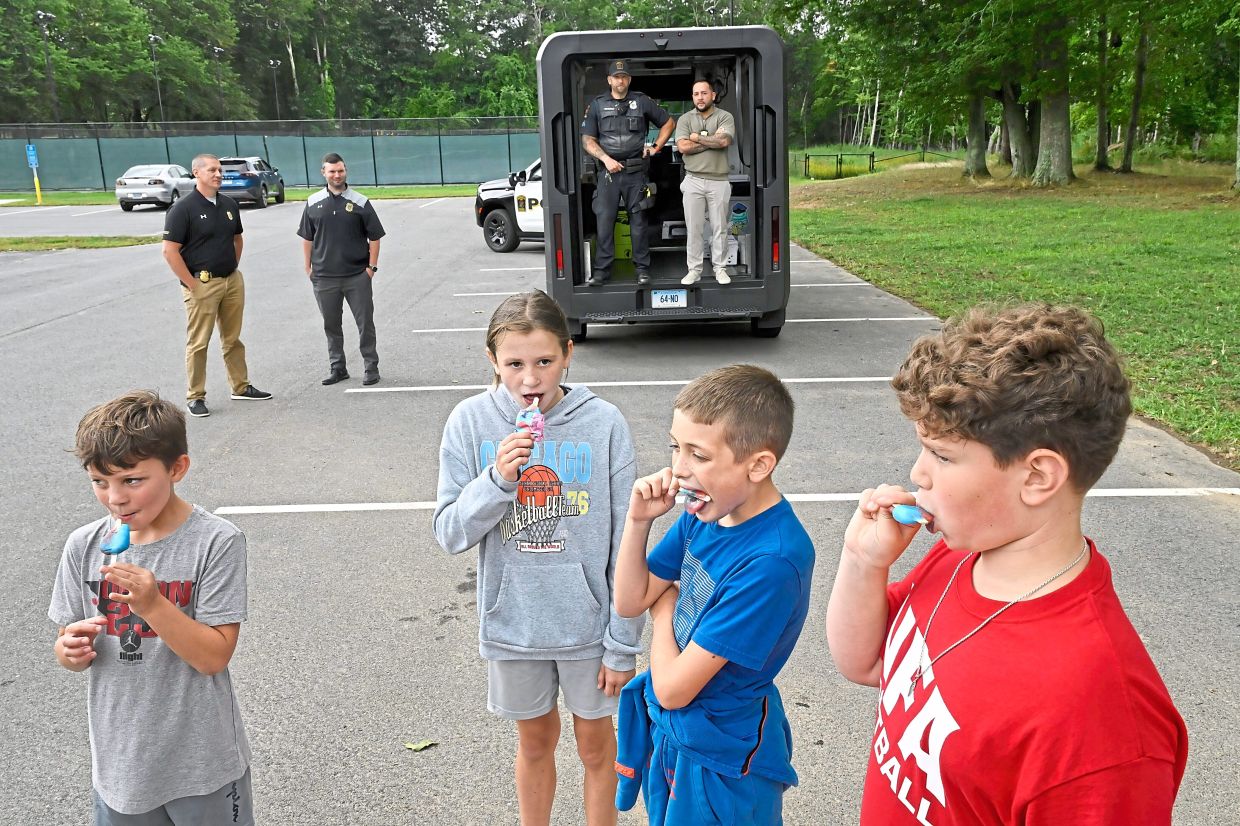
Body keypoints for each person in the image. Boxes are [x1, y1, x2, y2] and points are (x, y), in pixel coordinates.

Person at [826, 304, 1188, 824]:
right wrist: (864, 560)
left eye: (943, 455)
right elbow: (865, 663)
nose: (917, 473)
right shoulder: (958, 556)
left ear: (1038, 477)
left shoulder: (1097, 722)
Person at [432, 289, 642, 826]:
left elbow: (626, 541)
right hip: (514, 624)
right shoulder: (471, 422)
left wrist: (622, 644)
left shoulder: (604, 424)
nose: (531, 379)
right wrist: (497, 479)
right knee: (535, 741)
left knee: (597, 747)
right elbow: (450, 533)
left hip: (589, 625)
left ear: (568, 354)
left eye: (545, 361)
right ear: (492, 362)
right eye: (515, 365)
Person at [613, 364, 815, 824]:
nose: (678, 470)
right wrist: (638, 521)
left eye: (698, 455)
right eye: (675, 447)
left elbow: (671, 689)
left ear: (758, 465)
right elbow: (629, 600)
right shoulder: (705, 514)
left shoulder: (772, 562)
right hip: (681, 740)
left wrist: (663, 610)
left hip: (723, 757)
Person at [49, 390, 254, 825]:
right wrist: (68, 651)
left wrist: (153, 605)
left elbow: (213, 656)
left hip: (203, 764)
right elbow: (69, 640)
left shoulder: (216, 542)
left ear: (177, 468)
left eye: (132, 480)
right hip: (121, 765)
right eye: (99, 482)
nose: (115, 498)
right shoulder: (84, 546)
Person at [162, 153, 271, 418]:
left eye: (220, 170)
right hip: (202, 283)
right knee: (199, 343)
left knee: (232, 339)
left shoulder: (229, 204)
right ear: (196, 173)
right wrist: (191, 284)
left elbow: (238, 239)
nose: (218, 174)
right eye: (212, 170)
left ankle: (240, 386)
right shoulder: (183, 209)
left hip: (231, 281)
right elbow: (169, 251)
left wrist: (231, 269)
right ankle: (195, 396)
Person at [580, 58, 675, 287]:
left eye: (624, 77)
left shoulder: (641, 101)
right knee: (605, 222)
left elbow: (669, 123)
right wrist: (605, 158)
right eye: (616, 77)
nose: (620, 80)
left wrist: (656, 147)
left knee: (639, 223)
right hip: (608, 174)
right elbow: (587, 140)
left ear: (629, 79)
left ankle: (642, 270)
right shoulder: (597, 105)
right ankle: (602, 272)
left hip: (636, 173)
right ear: (609, 80)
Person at [297, 152, 387, 386]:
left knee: (365, 323)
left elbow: (375, 237)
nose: (337, 175)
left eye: (340, 171)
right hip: (324, 278)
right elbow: (307, 237)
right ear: (323, 173)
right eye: (332, 171)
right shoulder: (313, 202)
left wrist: (371, 268)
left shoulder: (360, 202)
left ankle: (371, 367)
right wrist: (308, 267)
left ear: (345, 171)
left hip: (357, 276)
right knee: (331, 325)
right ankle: (338, 368)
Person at [675, 80, 735, 287]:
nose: (700, 97)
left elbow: (724, 142)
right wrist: (711, 141)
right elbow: (683, 147)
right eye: (696, 94)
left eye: (704, 93)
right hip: (693, 180)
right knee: (694, 228)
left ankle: (720, 269)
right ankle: (694, 270)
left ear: (714, 95)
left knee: (720, 228)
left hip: (719, 181)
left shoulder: (724, 117)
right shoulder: (685, 119)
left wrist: (697, 139)